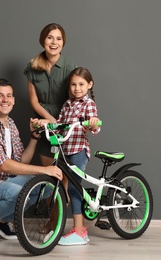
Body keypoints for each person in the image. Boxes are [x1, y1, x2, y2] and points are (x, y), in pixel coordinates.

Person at [0, 78, 63, 249]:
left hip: (1, 181)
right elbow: (4, 165)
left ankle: (2, 220)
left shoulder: (10, 124)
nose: (5, 100)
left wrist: (34, 137)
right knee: (18, 193)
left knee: (46, 187)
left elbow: (21, 162)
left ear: (13, 100)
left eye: (9, 96)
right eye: (0, 96)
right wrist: (45, 168)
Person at [34, 67, 100, 246]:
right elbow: (60, 124)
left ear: (89, 85)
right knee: (59, 185)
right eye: (73, 84)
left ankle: (79, 231)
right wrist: (47, 123)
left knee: (74, 188)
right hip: (64, 150)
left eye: (81, 84)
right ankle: (58, 224)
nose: (77, 88)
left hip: (78, 150)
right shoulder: (67, 104)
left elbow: (94, 125)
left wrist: (93, 123)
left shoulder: (88, 104)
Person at [24, 23, 76, 167]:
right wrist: (50, 119)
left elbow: (75, 100)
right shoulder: (32, 67)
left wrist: (59, 123)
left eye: (59, 39)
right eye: (50, 38)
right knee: (49, 174)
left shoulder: (70, 67)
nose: (54, 42)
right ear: (43, 40)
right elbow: (34, 101)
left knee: (65, 175)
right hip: (44, 125)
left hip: (65, 124)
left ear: (63, 42)